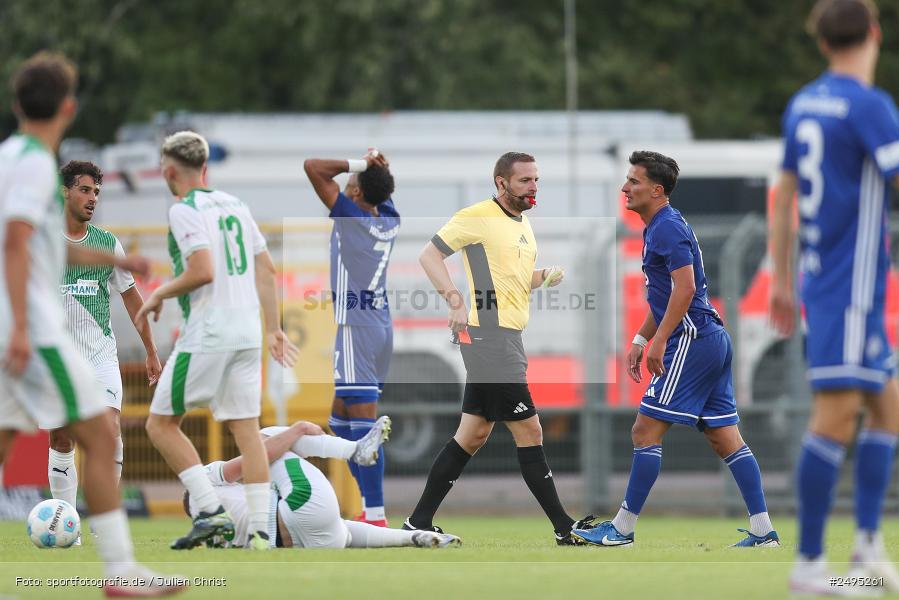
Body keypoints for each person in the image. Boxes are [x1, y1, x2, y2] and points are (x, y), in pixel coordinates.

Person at [0, 52, 183, 596]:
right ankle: (121, 574)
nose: (91, 197)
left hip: (18, 329)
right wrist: (22, 329)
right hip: (32, 330)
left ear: (15, 104)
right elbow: (18, 244)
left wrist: (118, 262)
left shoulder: (8, 156)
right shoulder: (35, 162)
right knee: (102, 438)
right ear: (69, 108)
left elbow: (46, 247)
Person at [572, 151, 778, 548]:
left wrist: (661, 339)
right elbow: (667, 296)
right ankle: (763, 530)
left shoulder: (665, 228)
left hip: (693, 341)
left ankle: (622, 529)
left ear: (657, 189)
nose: (625, 188)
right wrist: (640, 339)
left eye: (633, 181)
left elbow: (684, 290)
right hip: (709, 338)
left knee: (645, 429)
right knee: (725, 438)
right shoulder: (660, 225)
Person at [769, 0, 899, 594]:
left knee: (888, 404)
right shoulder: (871, 107)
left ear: (822, 44)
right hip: (849, 288)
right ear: (874, 33)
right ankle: (810, 566)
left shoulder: (803, 102)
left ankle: (868, 545)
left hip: (830, 281)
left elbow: (783, 194)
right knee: (835, 416)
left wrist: (779, 278)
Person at [402, 151, 592, 544]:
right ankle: (563, 526)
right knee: (531, 430)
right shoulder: (477, 216)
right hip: (488, 337)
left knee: (472, 434)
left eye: (536, 180)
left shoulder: (523, 225)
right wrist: (455, 300)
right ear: (501, 183)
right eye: (525, 181)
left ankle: (418, 521)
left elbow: (516, 280)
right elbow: (429, 254)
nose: (533, 187)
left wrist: (543, 276)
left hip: (507, 338)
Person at [138, 131, 299, 551]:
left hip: (211, 331)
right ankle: (263, 536)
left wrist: (158, 292)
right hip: (247, 332)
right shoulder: (237, 205)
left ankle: (209, 513)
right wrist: (273, 329)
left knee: (160, 423)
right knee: (247, 429)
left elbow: (203, 270)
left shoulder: (183, 209)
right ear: (205, 167)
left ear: (169, 171)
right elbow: (266, 270)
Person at [48, 160, 162, 537]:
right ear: (65, 191)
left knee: (109, 430)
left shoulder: (107, 242)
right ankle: (64, 524)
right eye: (84, 189)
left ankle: (104, 523)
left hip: (99, 354)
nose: (92, 197)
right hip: (57, 358)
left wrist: (150, 349)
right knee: (62, 437)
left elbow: (132, 299)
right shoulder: (43, 241)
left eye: (96, 191)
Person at [185, 416, 459, 549]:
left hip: (315, 540)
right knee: (264, 439)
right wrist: (299, 429)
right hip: (301, 507)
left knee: (348, 532)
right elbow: (254, 459)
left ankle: (415, 537)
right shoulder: (203, 482)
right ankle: (354, 451)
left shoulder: (210, 535)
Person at [303, 149, 399, 526]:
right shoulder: (389, 218)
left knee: (364, 428)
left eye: (351, 184)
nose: (345, 185)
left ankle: (375, 514)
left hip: (356, 328)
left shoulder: (352, 218)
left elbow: (313, 168)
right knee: (340, 422)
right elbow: (382, 188)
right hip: (379, 326)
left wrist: (360, 165)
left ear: (356, 194)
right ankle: (368, 506)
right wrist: (376, 168)